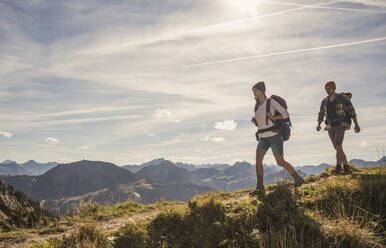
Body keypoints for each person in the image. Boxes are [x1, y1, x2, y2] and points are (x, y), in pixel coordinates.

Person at [250, 82, 304, 197]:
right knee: (258, 160)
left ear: (261, 91)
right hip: (263, 137)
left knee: (280, 161)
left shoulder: (271, 102)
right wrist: (256, 121)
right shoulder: (257, 106)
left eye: (255, 90)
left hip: (274, 135)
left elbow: (285, 114)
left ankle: (297, 177)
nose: (254, 93)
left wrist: (274, 117)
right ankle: (260, 187)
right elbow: (263, 123)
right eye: (253, 91)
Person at [317, 81, 360, 174]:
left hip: (341, 123)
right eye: (326, 89)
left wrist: (356, 124)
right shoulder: (324, 101)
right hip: (329, 125)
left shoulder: (342, 98)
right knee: (337, 147)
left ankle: (339, 168)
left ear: (334, 88)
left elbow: (351, 111)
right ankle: (345, 168)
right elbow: (321, 113)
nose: (327, 90)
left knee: (338, 144)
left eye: (329, 88)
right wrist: (319, 124)